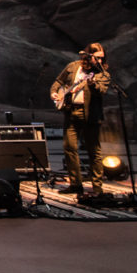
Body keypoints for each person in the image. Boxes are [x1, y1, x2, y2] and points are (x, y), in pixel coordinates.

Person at [50, 43, 111, 196]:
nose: (98, 61)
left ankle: (97, 187)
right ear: (88, 56)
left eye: (101, 58)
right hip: (71, 112)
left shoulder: (102, 73)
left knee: (93, 151)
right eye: (96, 58)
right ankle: (75, 184)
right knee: (70, 148)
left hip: (90, 114)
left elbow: (102, 91)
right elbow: (58, 82)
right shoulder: (73, 66)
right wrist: (54, 93)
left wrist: (92, 85)